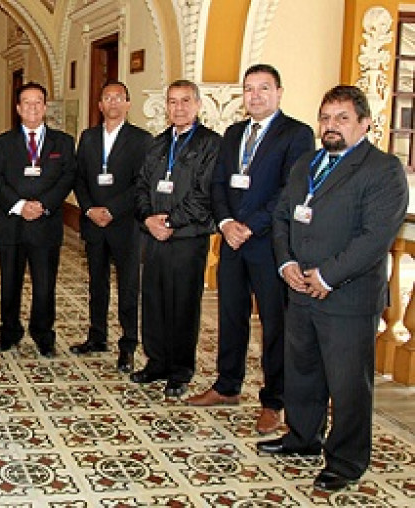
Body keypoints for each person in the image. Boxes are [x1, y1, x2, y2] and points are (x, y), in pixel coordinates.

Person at [259, 85, 407, 491]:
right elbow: (283, 216)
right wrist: (286, 262)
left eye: (342, 118)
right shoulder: (307, 162)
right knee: (302, 371)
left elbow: (375, 237)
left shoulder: (383, 169)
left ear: (364, 123)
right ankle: (303, 438)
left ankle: (346, 459)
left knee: (347, 382)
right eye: (325, 117)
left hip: (346, 295)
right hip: (299, 288)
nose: (331, 126)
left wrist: (327, 276)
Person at [188, 64, 314, 435]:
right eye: (249, 89)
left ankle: (274, 401)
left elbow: (289, 191)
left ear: (279, 92)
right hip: (231, 242)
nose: (255, 95)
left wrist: (251, 225)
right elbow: (218, 184)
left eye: (263, 88)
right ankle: (227, 385)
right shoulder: (233, 133)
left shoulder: (297, 134)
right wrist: (226, 223)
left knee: (274, 324)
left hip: (270, 245)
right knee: (230, 316)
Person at [132, 79, 220, 397]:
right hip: (153, 236)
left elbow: (204, 194)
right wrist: (148, 218)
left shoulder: (211, 144)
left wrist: (169, 221)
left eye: (185, 101)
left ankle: (180, 370)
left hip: (187, 237)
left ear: (197, 105)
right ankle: (156, 362)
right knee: (153, 301)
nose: (178, 108)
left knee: (182, 305)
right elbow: (141, 185)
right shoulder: (157, 144)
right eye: (172, 101)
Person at [0, 82, 76, 358]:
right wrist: (19, 205)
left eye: (38, 102)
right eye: (26, 103)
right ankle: (9, 332)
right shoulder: (3, 142)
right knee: (9, 283)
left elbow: (67, 178)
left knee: (44, 285)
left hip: (45, 224)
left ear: (45, 106)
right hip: (11, 224)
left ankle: (43, 334)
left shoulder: (62, 142)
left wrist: (43, 205)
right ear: (18, 108)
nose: (32, 107)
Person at [71, 80, 151, 373]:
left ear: (128, 104)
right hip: (94, 224)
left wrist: (112, 210)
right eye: (107, 97)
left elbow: (141, 183)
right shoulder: (88, 137)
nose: (113, 102)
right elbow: (78, 178)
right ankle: (97, 336)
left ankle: (128, 344)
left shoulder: (142, 140)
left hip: (125, 225)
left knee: (128, 286)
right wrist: (90, 208)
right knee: (96, 283)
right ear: (100, 105)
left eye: (119, 98)